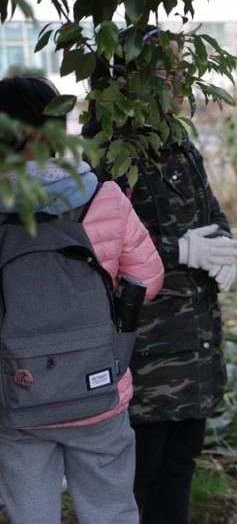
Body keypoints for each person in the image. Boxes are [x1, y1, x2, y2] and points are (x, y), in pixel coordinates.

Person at [81, 26, 237, 523]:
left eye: (181, 69)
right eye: (167, 70)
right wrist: (180, 250)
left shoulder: (178, 140)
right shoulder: (110, 147)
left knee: (179, 465)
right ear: (136, 76)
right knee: (139, 472)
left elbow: (210, 214)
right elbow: (98, 243)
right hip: (147, 347)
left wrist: (223, 249)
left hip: (193, 341)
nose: (180, 80)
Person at [0, 74, 164, 523]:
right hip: (99, 390)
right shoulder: (104, 195)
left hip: (17, 395)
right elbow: (147, 281)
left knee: (32, 514)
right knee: (111, 510)